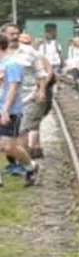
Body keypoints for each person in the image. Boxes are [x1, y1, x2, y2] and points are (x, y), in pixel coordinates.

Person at [0, 34, 39, 188]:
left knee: (8, 146)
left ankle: (31, 166)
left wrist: (6, 110)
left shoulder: (12, 64)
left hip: (10, 110)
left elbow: (13, 88)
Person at [14, 32, 52, 165]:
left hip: (32, 94)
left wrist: (41, 89)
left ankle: (27, 157)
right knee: (30, 125)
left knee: (27, 126)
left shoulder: (35, 55)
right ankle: (33, 151)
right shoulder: (12, 55)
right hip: (21, 95)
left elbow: (47, 73)